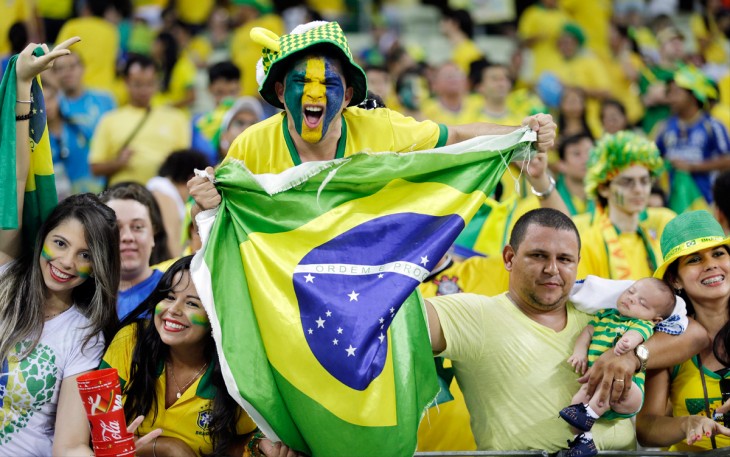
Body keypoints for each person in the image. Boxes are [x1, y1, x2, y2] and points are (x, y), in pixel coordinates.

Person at [190, 20, 557, 215]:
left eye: (329, 83)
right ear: (282, 91)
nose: (315, 93)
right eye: (303, 82)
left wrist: (522, 132)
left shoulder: (380, 127)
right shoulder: (251, 144)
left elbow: (459, 135)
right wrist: (205, 203)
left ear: (348, 96)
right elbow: (216, 223)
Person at [424, 208, 707, 452]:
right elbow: (407, 317)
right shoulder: (474, 314)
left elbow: (694, 333)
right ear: (509, 258)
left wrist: (633, 357)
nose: (552, 269)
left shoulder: (603, 310)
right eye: (538, 256)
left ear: (577, 263)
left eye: (565, 259)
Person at [0, 38, 134, 454]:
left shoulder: (85, 336)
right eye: (59, 243)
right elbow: (17, 181)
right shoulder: (7, 274)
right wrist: (22, 88)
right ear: (42, 239)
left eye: (85, 255)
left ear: (100, 266)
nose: (64, 262)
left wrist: (119, 452)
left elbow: (69, 447)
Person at [101, 256, 264, 456]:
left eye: (192, 304)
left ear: (216, 316)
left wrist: (260, 446)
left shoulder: (236, 374)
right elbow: (98, 435)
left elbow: (237, 444)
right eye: (169, 297)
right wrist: (168, 447)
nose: (173, 309)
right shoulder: (131, 340)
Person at [637, 210, 730, 450]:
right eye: (694, 259)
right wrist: (687, 424)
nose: (710, 265)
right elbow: (646, 428)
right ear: (675, 280)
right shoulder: (667, 342)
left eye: (718, 253)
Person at [559, 277, 676, 456]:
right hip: (595, 384)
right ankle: (584, 441)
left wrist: (626, 343)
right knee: (576, 404)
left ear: (656, 318)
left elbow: (636, 335)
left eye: (642, 303)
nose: (631, 298)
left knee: (612, 381)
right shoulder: (604, 315)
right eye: (631, 291)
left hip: (629, 391)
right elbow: (588, 332)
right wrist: (579, 352)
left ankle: (589, 413)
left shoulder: (642, 323)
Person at [575, 131, 676, 280]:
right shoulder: (588, 244)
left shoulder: (654, 242)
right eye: (627, 182)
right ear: (603, 188)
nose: (638, 189)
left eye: (644, 181)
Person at [89, 54, 191, 187]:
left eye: (150, 84)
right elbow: (95, 167)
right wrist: (119, 163)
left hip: (164, 197)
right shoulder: (110, 120)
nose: (144, 90)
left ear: (157, 83)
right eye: (137, 84)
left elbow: (185, 164)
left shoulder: (177, 118)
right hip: (123, 195)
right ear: (126, 82)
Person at [655, 65, 730, 207]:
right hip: (674, 203)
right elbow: (655, 158)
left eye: (676, 92)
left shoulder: (713, 126)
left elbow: (728, 160)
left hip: (707, 203)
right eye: (669, 93)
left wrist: (692, 167)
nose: (670, 98)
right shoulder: (664, 127)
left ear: (693, 95)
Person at [101, 182, 172, 320]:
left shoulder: (172, 291)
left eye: (138, 227)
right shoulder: (82, 294)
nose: (127, 237)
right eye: (115, 228)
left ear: (153, 235)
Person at [50, 51, 115, 195]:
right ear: (53, 75)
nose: (67, 73)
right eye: (60, 69)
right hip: (65, 187)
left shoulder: (105, 100)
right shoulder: (51, 104)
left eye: (72, 66)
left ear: (83, 68)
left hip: (103, 182)